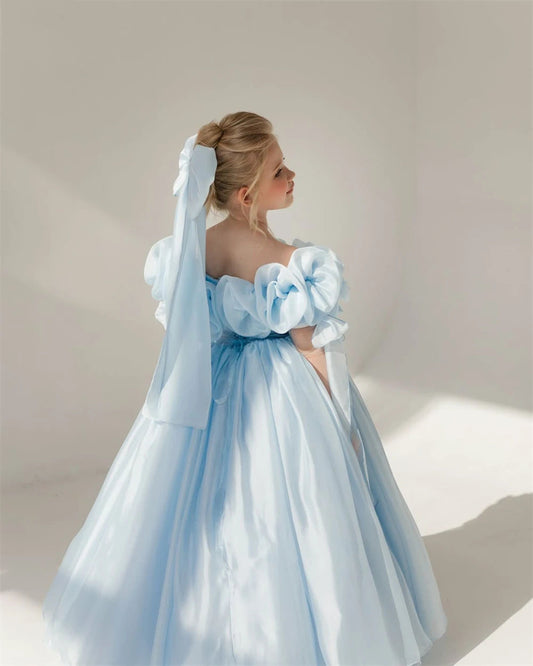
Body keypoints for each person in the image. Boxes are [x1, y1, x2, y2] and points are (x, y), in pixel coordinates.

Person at [42, 111, 448, 666]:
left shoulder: (190, 250)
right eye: (279, 170)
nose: (292, 175)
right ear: (246, 194)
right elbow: (311, 348)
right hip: (284, 396)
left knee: (195, 509)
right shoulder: (289, 264)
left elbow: (191, 329)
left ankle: (186, 626)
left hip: (208, 384)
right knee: (293, 512)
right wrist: (341, 426)